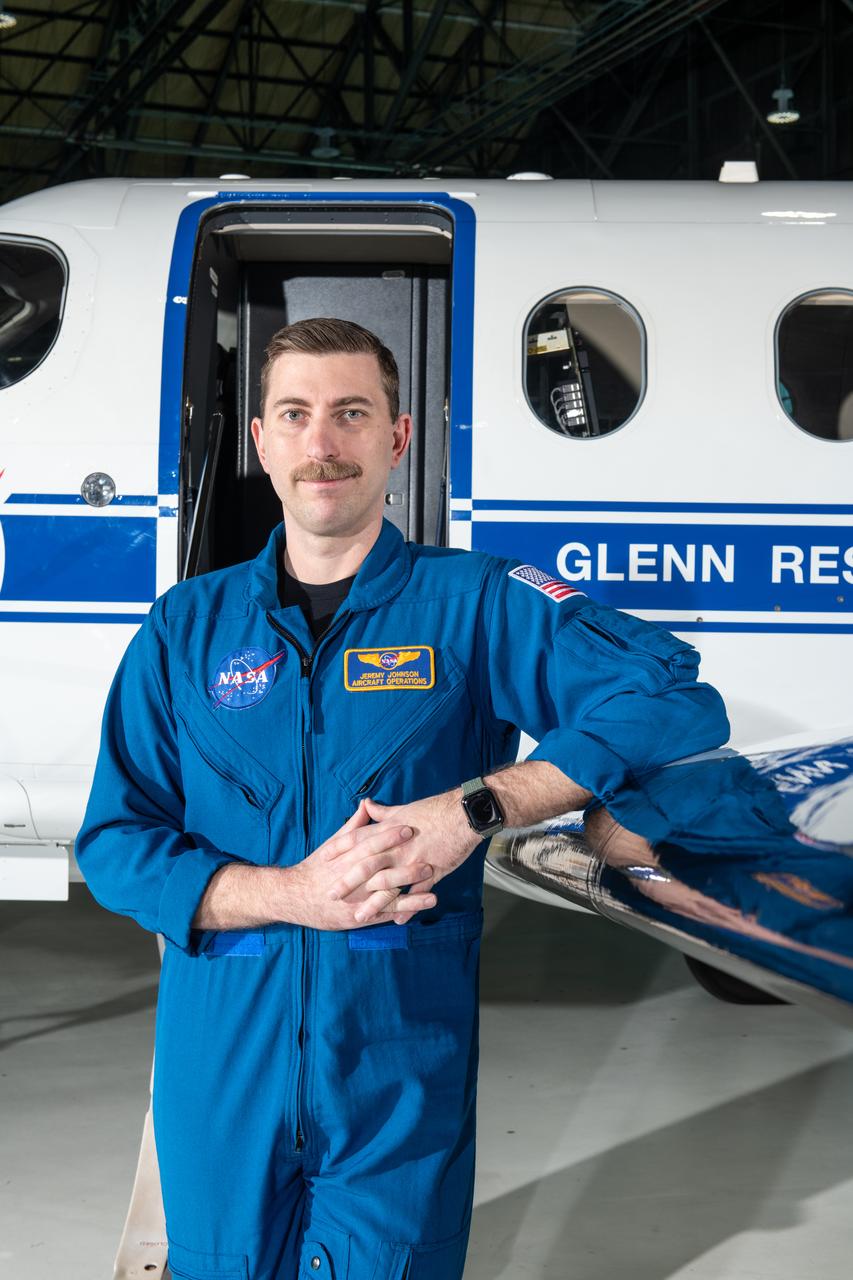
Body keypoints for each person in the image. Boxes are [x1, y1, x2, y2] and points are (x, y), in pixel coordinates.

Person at [76, 317, 729, 1280]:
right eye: (294, 415)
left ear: (399, 438)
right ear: (260, 440)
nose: (322, 444)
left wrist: (478, 807)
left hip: (395, 1066)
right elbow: (115, 843)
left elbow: (670, 694)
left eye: (351, 414)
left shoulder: (473, 601)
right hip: (221, 1068)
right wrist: (285, 893)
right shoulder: (185, 627)